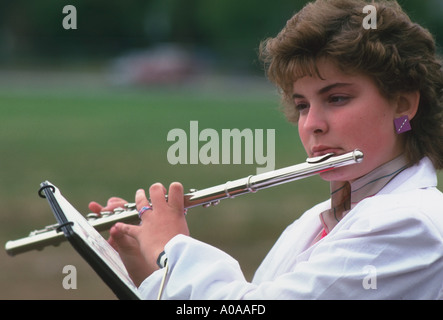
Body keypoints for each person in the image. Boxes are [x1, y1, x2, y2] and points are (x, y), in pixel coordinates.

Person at [89, 0, 443, 299]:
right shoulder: (314, 222)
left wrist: (174, 249)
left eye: (337, 98)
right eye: (302, 104)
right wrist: (150, 268)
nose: (312, 124)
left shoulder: (412, 224)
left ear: (402, 105)